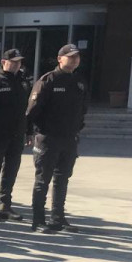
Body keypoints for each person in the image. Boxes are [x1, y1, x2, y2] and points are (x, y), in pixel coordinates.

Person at [27, 43, 88, 233]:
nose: (74, 60)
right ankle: (38, 221)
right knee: (42, 180)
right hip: (48, 139)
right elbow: (32, 112)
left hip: (69, 139)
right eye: (70, 56)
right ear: (60, 59)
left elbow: (83, 110)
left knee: (62, 179)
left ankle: (58, 218)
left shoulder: (79, 82)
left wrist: (76, 131)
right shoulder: (48, 81)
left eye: (76, 57)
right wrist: (33, 133)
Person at [0, 48, 32, 221]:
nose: (17, 64)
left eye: (19, 62)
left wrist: (29, 132)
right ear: (4, 62)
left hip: (16, 134)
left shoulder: (23, 82)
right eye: (13, 61)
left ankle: (5, 205)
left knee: (11, 170)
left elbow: (27, 110)